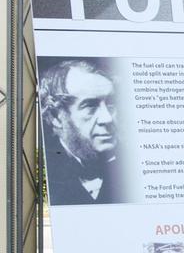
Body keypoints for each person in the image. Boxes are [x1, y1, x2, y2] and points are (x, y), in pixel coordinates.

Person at [39, 59, 123, 205]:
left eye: (110, 104)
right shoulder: (41, 171)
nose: (108, 118)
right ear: (55, 117)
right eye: (90, 106)